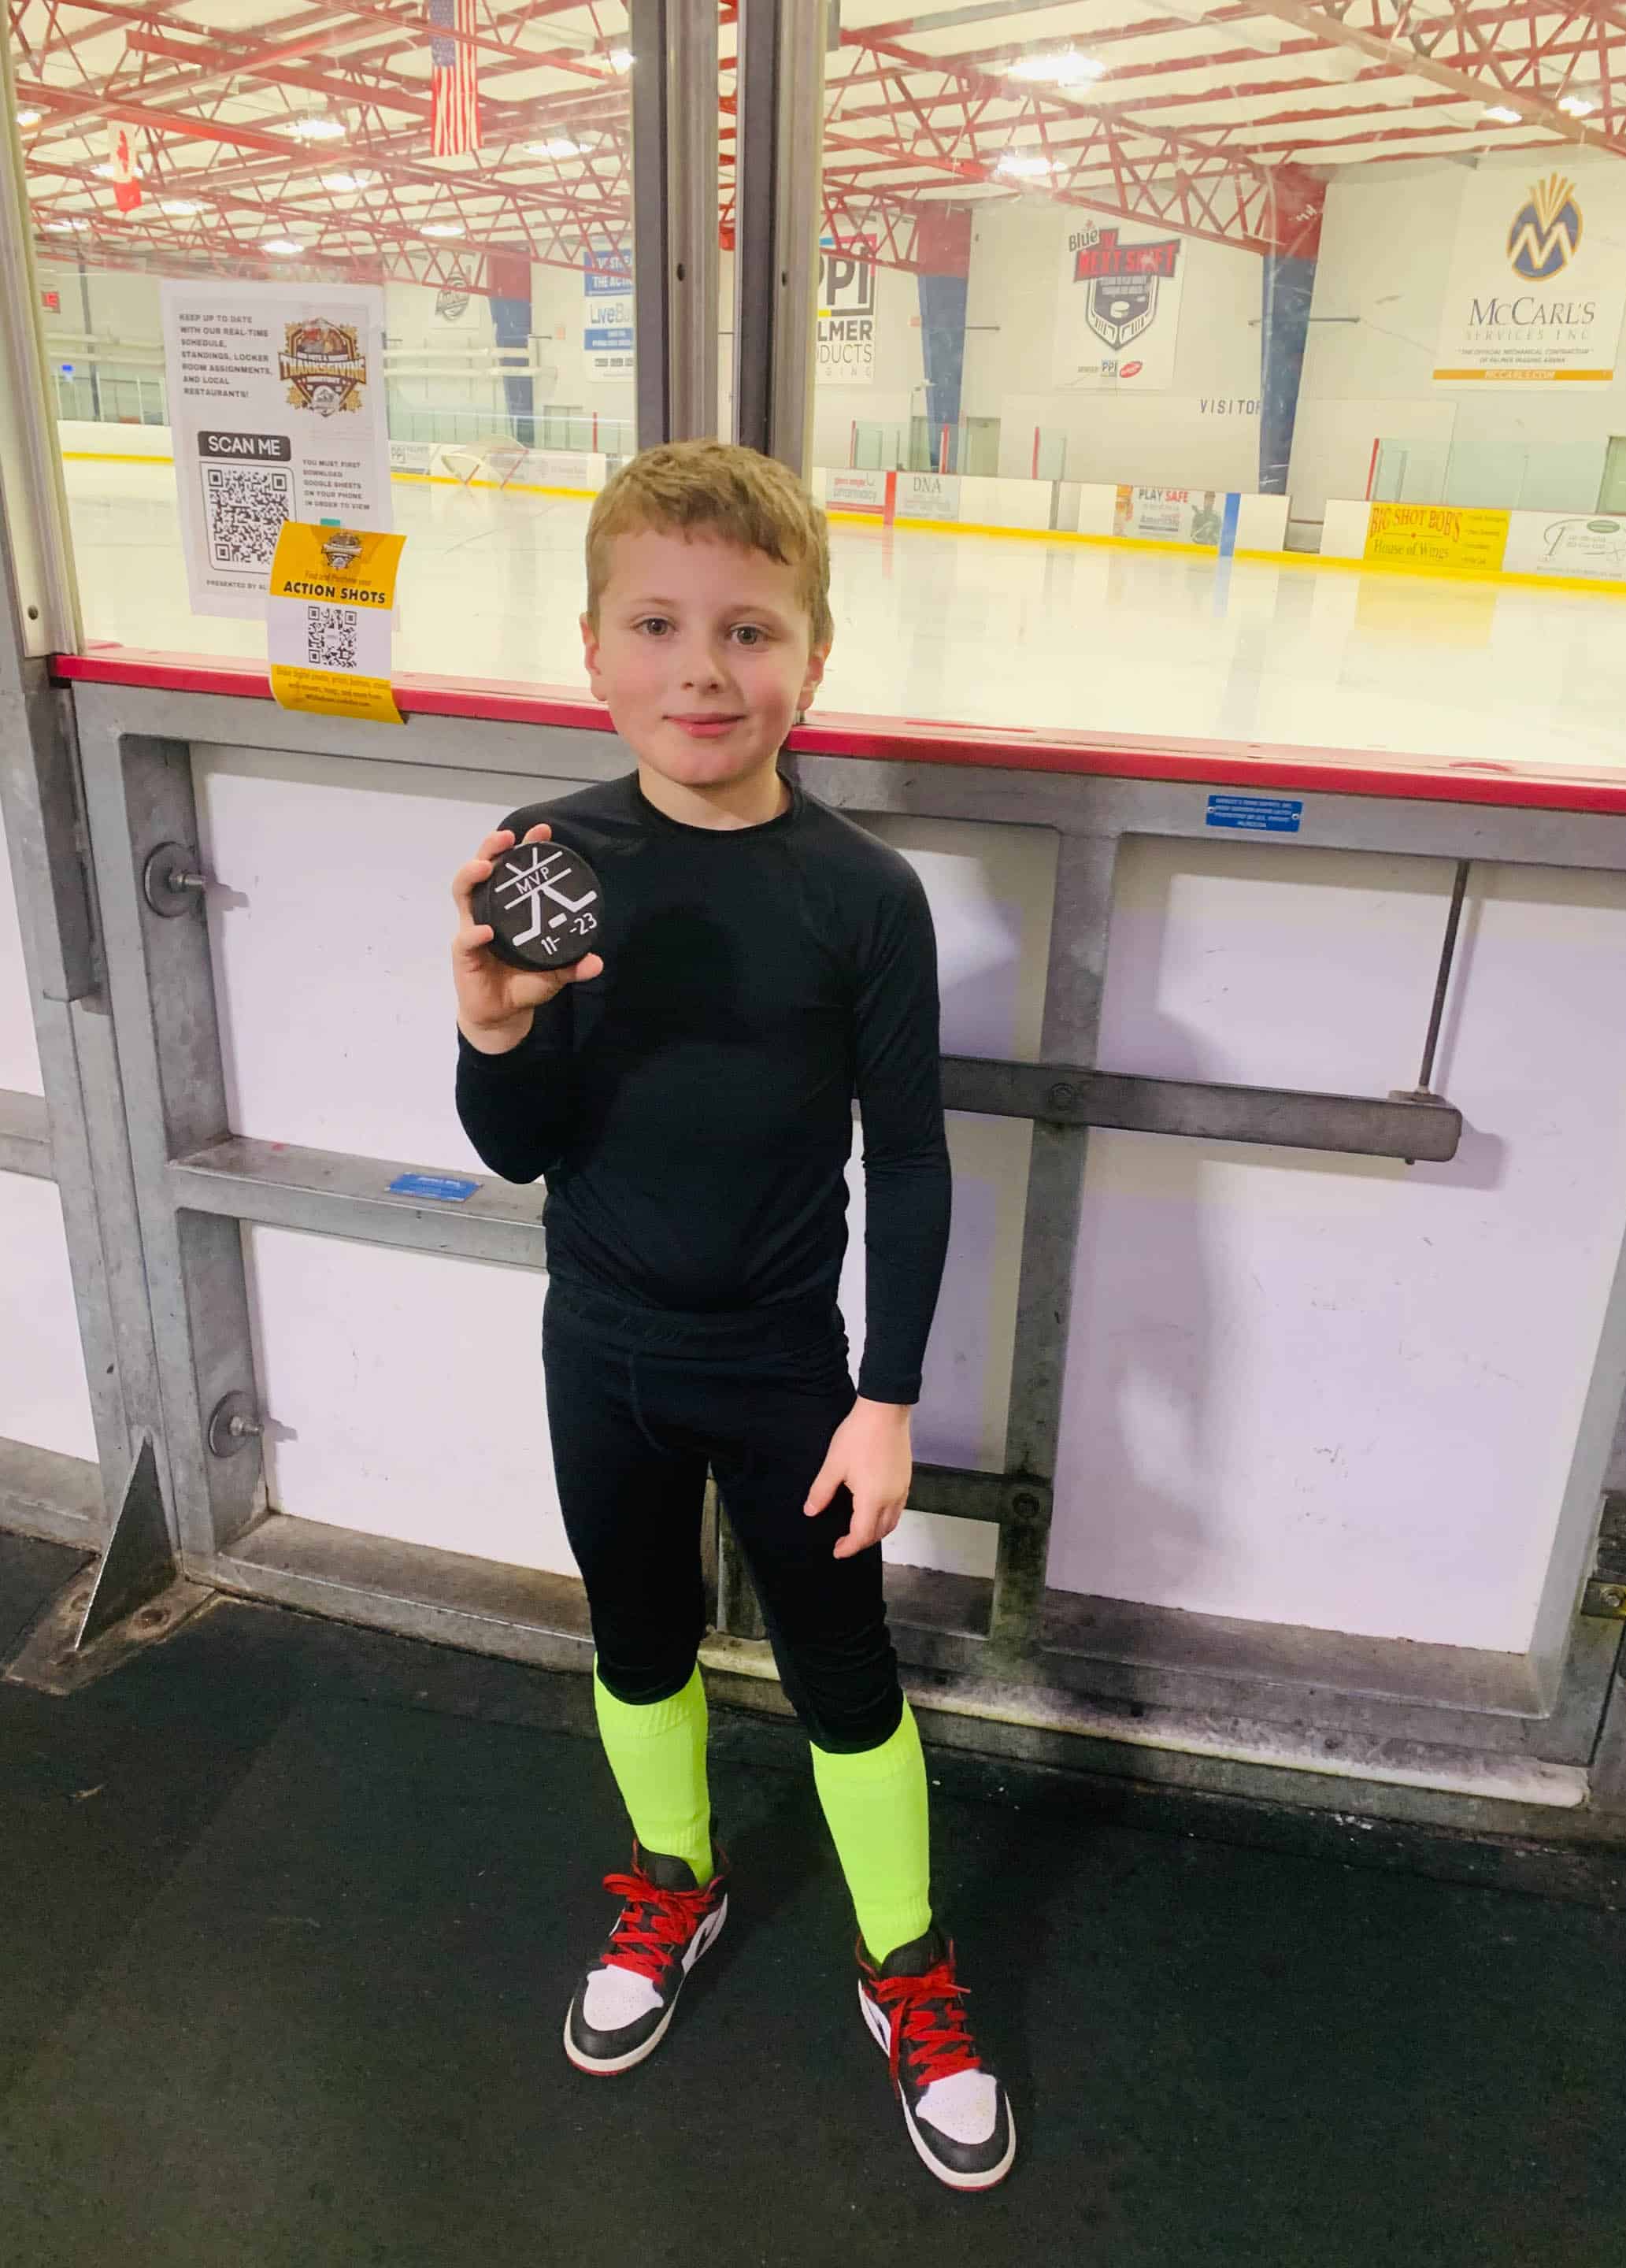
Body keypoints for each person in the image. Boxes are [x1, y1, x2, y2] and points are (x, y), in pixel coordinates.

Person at [449, 439, 1016, 2193]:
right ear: (594, 652)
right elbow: (521, 1145)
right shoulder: (550, 864)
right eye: (659, 625)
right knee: (636, 1639)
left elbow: (907, 1158)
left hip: (786, 1373)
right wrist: (490, 1028)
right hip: (601, 1353)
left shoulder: (865, 898)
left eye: (750, 631)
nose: (704, 669)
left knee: (848, 1676)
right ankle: (673, 1887)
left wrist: (887, 1396)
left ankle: (905, 1966)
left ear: (812, 660)